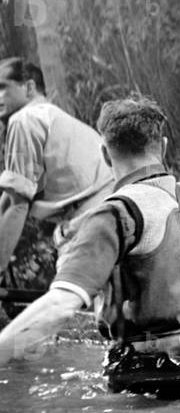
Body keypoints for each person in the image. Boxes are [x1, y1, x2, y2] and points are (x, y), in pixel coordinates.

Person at [0, 96, 180, 393]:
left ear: (105, 154)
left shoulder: (114, 214)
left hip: (153, 386)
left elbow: (59, 306)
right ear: (165, 147)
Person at [0, 57, 115, 275]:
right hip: (109, 214)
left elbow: (17, 204)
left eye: (2, 88)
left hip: (88, 220)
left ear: (29, 87)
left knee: (70, 299)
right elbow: (10, 197)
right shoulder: (51, 116)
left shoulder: (24, 119)